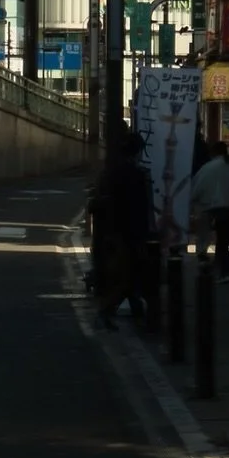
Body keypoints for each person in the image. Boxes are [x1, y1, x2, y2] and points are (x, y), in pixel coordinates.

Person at [93, 125, 153, 328]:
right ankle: (106, 311)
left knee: (125, 274)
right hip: (128, 233)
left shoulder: (111, 172)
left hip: (112, 230)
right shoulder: (135, 175)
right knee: (126, 275)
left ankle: (123, 310)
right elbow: (140, 208)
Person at [188, 140, 229, 283]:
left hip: (210, 208)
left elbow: (196, 189)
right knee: (225, 240)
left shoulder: (208, 168)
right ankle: (224, 269)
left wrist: (192, 204)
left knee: (207, 238)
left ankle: (207, 263)